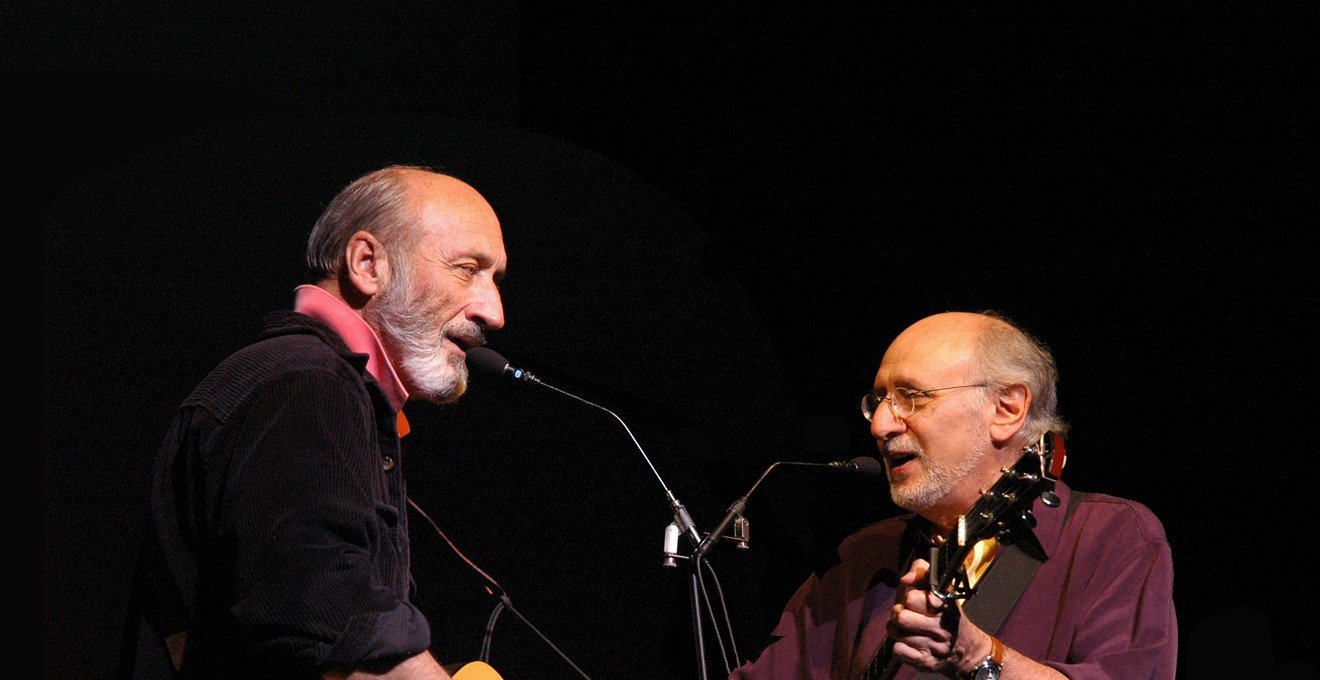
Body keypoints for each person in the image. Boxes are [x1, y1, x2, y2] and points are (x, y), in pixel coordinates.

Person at [121, 165, 507, 679]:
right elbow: (330, 620)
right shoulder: (305, 383)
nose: (494, 311)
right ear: (368, 263)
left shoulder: (313, 385)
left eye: (495, 279)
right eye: (467, 268)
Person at [730, 310, 1177, 679]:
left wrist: (978, 655)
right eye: (879, 400)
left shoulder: (1112, 537)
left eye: (911, 397)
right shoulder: (863, 558)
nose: (880, 425)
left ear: (1006, 409)